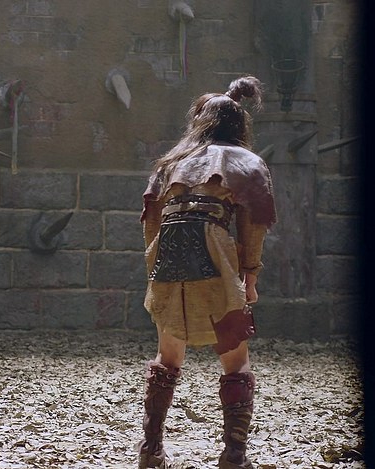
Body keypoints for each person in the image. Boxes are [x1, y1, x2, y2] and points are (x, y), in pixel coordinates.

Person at [137, 76, 276, 469]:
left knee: (168, 356)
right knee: (235, 358)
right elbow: (252, 224)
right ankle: (234, 456)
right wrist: (250, 277)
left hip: (167, 259)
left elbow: (152, 223)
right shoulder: (246, 162)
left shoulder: (171, 162)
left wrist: (154, 274)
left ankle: (150, 450)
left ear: (200, 121)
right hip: (215, 257)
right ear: (238, 123)